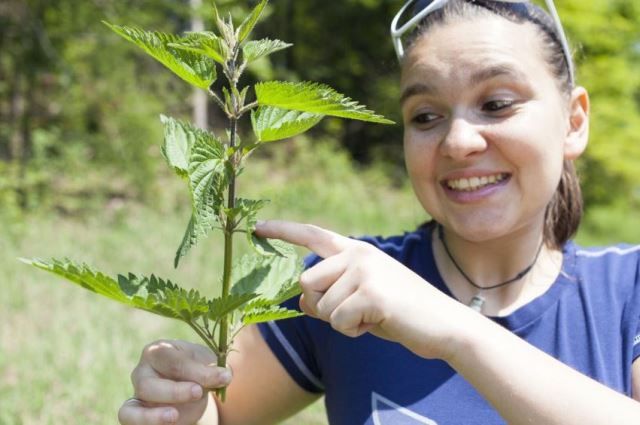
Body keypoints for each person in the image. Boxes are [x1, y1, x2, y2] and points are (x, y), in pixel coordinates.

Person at [117, 0, 640, 424]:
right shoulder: (342, 286)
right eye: (426, 115)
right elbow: (219, 414)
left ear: (574, 122)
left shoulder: (627, 289)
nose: (458, 141)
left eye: (497, 104)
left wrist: (457, 333)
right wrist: (178, 403)